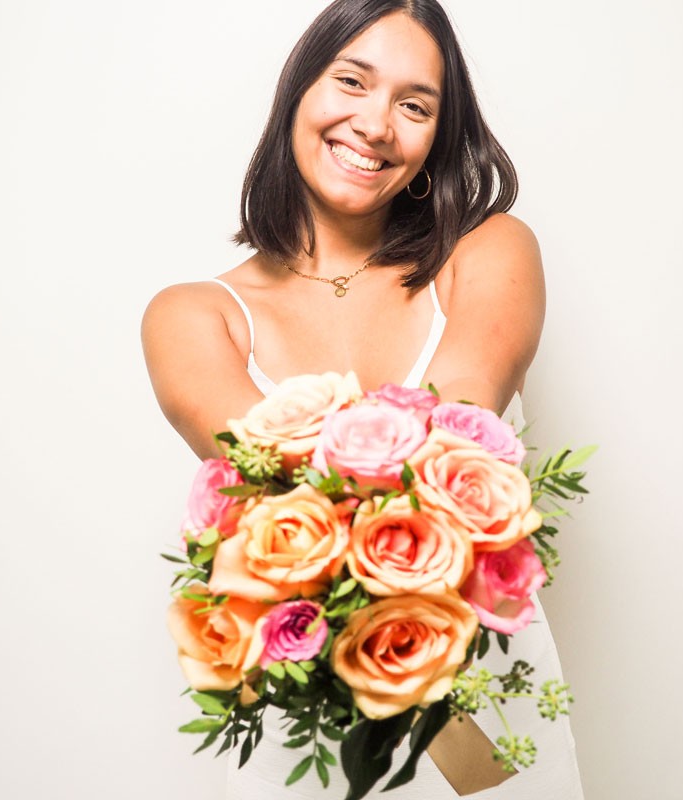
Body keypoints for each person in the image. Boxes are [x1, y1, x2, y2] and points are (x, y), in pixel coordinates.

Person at [142, 1, 584, 797]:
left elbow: (453, 442)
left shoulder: (488, 252)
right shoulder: (194, 315)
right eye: (352, 80)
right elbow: (284, 490)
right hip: (323, 732)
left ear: (437, 137)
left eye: (415, 105)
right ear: (298, 93)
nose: (377, 124)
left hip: (499, 711)